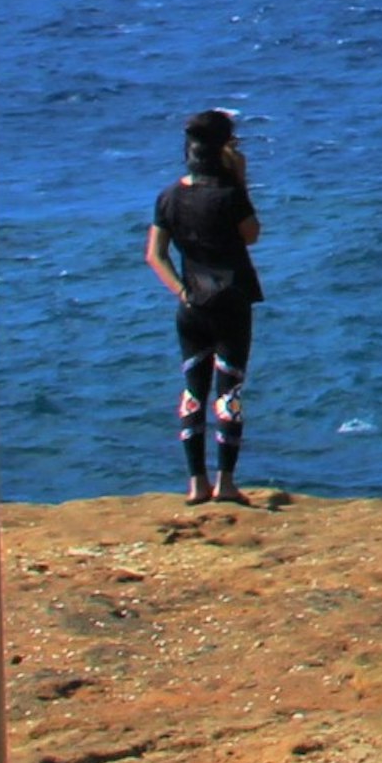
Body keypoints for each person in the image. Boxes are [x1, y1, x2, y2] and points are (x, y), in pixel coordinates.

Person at [142, 108, 264, 504]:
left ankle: (196, 482)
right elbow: (251, 236)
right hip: (231, 299)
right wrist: (240, 180)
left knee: (192, 388)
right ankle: (226, 482)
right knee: (229, 389)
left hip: (191, 302)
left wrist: (180, 289)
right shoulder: (229, 195)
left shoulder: (169, 196)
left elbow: (154, 255)